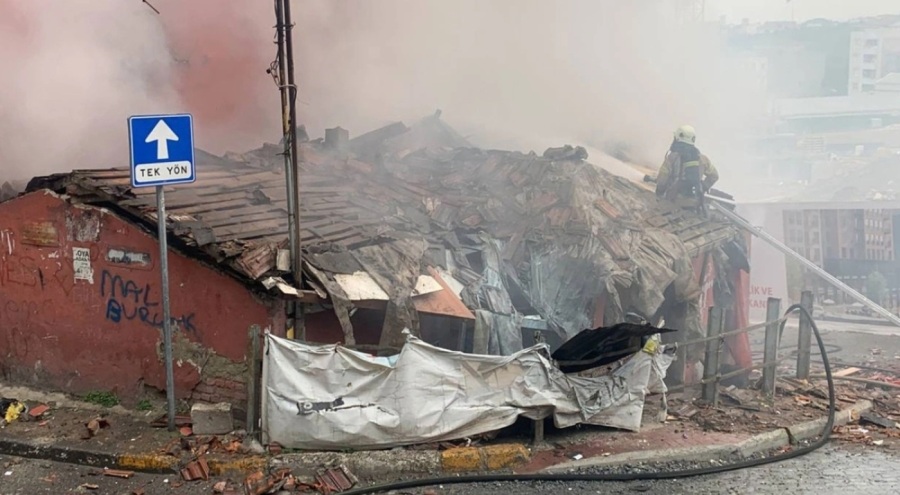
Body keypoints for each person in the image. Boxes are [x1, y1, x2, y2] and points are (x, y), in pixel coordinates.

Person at [655, 125, 719, 211]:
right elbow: (714, 175)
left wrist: (659, 193)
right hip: (694, 203)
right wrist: (702, 187)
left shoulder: (672, 157)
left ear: (678, 137)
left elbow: (662, 180)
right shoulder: (703, 159)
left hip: (674, 201)